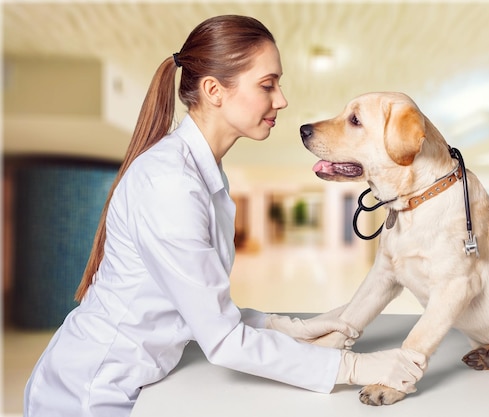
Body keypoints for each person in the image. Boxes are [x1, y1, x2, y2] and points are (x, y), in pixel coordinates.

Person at [23, 15, 426, 417]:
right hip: (90, 391)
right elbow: (223, 340)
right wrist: (355, 367)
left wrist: (284, 327)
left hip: (135, 380)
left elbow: (200, 306)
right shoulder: (169, 182)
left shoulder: (202, 171)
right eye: (267, 85)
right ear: (214, 90)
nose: (281, 100)